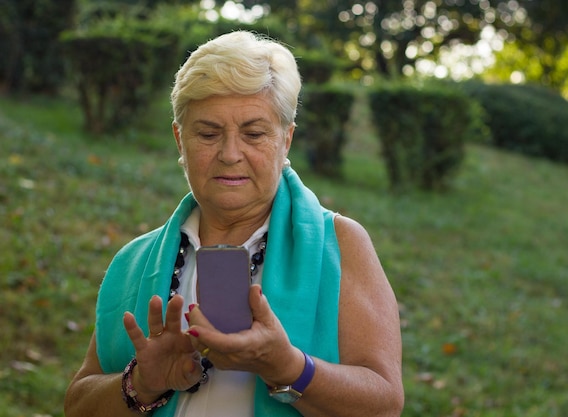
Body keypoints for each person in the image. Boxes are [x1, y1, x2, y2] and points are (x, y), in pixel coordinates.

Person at [64, 30, 403, 417]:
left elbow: (385, 405)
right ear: (180, 140)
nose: (230, 154)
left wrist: (287, 367)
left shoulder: (339, 243)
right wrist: (142, 383)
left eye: (254, 133)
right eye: (208, 133)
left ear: (286, 140)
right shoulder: (136, 260)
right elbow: (77, 406)